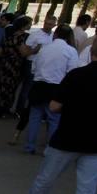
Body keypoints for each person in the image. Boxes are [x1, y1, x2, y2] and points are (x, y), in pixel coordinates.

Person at [12, 53, 97, 194]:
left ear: (92, 53)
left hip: (67, 137)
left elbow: (53, 106)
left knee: (46, 178)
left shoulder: (76, 75)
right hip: (95, 143)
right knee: (87, 188)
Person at [23, 25, 79, 154]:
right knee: (53, 119)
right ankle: (50, 148)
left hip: (38, 84)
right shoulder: (70, 51)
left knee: (35, 117)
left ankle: (29, 146)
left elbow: (34, 67)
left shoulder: (44, 49)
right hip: (56, 87)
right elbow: (72, 72)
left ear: (56, 34)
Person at [0, 16, 32, 119]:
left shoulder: (10, 35)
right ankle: (2, 110)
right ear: (24, 26)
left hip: (5, 63)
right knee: (8, 87)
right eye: (29, 23)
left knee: (0, 86)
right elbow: (23, 53)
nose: (31, 25)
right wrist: (35, 50)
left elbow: (0, 52)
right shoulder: (23, 37)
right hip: (14, 66)